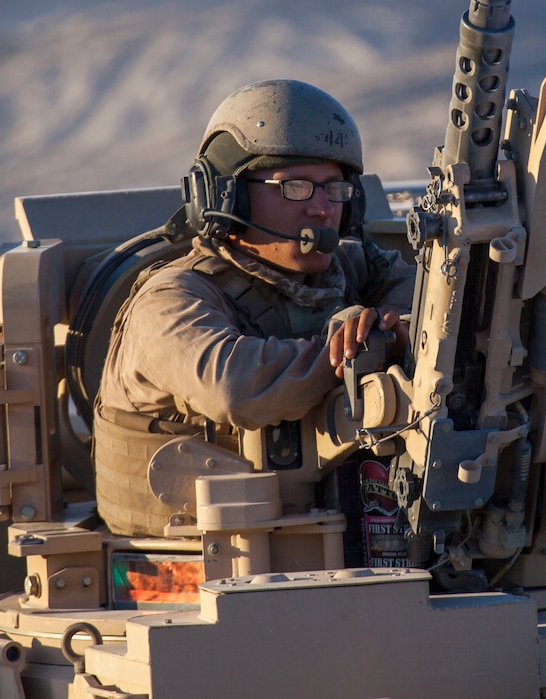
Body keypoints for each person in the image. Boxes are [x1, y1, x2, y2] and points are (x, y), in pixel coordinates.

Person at [93, 79, 415, 537]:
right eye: (296, 188)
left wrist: (393, 324)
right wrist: (350, 349)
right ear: (229, 196)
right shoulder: (171, 298)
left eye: (335, 189)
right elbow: (234, 386)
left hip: (327, 543)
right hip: (190, 562)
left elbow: (421, 286)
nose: (323, 210)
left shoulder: (345, 267)